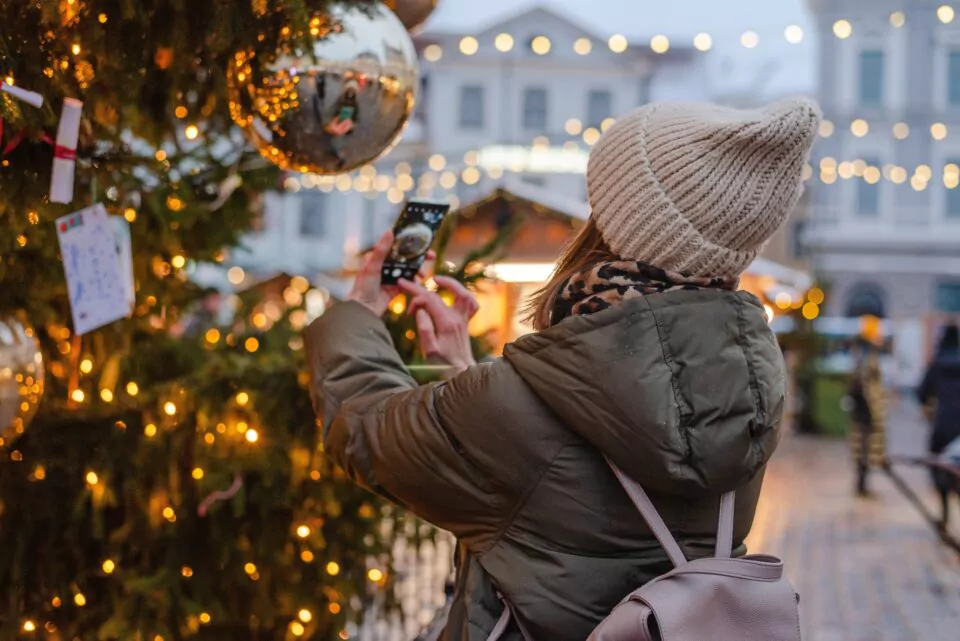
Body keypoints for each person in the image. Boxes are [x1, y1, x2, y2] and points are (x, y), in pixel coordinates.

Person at [305, 99, 820, 640]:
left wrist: (358, 312)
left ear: (619, 226)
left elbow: (364, 430)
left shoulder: (513, 405)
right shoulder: (749, 389)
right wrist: (465, 375)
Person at [917, 324, 960, 529]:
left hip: (942, 425)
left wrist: (930, 407)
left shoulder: (938, 363)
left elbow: (922, 392)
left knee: (939, 465)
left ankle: (944, 512)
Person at [848, 317, 888, 497]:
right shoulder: (867, 354)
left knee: (864, 447)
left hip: (863, 408)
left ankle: (862, 484)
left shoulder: (861, 352)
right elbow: (865, 384)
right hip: (867, 409)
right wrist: (873, 409)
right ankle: (861, 485)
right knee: (864, 447)